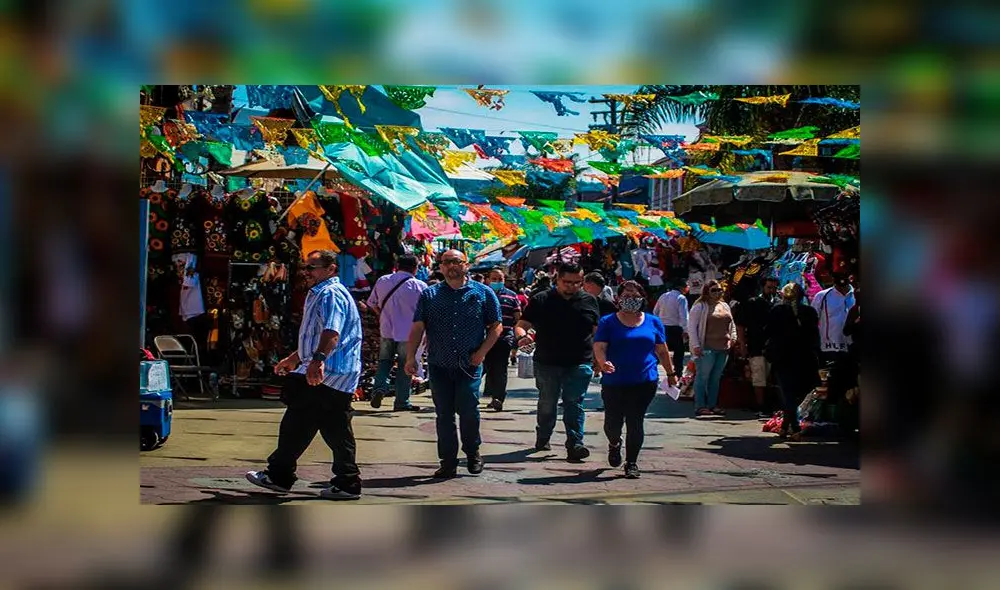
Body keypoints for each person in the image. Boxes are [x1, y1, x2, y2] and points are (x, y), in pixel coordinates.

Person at [246, 250, 363, 500]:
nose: (306, 272)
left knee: (302, 423)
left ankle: (282, 475)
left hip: (329, 372)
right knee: (328, 428)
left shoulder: (331, 294)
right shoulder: (320, 293)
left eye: (312, 268)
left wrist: (317, 361)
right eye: (305, 267)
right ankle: (344, 481)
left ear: (331, 269)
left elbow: (332, 332)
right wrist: (295, 358)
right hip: (330, 372)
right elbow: (314, 334)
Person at [405, 250, 502, 478]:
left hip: (469, 365)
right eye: (446, 262)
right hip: (439, 364)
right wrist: (411, 357)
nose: (451, 266)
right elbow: (418, 327)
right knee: (444, 414)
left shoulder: (483, 293)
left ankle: (472, 452)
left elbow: (496, 326)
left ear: (466, 265)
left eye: (456, 261)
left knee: (468, 411)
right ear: (440, 267)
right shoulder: (430, 295)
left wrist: (482, 353)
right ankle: (447, 461)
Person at [514, 262, 600, 462]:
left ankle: (575, 443)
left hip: (580, 362)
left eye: (577, 283)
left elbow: (597, 333)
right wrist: (522, 337)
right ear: (557, 280)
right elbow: (521, 325)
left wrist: (599, 359)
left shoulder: (590, 301)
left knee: (574, 403)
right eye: (567, 282)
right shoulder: (541, 299)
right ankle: (543, 435)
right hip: (547, 363)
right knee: (547, 404)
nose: (571, 286)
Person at [593, 281, 678, 479]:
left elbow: (662, 351)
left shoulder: (653, 322)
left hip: (644, 380)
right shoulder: (608, 322)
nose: (630, 299)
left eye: (634, 295)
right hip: (614, 381)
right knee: (612, 423)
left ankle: (631, 463)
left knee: (635, 421)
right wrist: (603, 363)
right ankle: (614, 443)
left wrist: (671, 374)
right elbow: (599, 346)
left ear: (642, 298)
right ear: (618, 299)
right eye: (626, 296)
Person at [366, 254, 427, 411]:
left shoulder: (383, 280)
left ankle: (379, 388)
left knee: (384, 361)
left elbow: (371, 303)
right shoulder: (420, 286)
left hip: (386, 330)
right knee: (405, 367)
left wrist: (382, 314)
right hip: (409, 334)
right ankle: (401, 402)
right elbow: (426, 313)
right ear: (415, 268)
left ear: (397, 265)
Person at [765, 282, 821, 440]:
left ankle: (790, 426)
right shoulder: (809, 312)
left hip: (783, 357)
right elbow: (814, 336)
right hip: (804, 358)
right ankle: (790, 427)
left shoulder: (777, 311)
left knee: (788, 393)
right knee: (797, 393)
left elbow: (769, 331)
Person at [688, 280, 737, 417]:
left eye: (719, 290)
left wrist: (733, 337)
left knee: (715, 378)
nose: (717, 293)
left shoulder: (725, 305)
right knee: (703, 376)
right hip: (706, 347)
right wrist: (696, 345)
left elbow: (731, 323)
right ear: (706, 292)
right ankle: (700, 406)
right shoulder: (700, 307)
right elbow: (691, 327)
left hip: (723, 347)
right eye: (713, 290)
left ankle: (712, 404)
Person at [734, 276, 780, 417]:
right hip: (756, 345)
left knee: (772, 378)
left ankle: (771, 405)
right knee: (759, 377)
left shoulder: (778, 304)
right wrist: (742, 344)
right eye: (769, 287)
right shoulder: (752, 303)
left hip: (775, 347)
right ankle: (761, 406)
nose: (771, 290)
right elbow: (740, 325)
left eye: (774, 288)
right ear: (763, 287)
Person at [483, 267, 521, 411]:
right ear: (488, 280)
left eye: (500, 279)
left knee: (500, 369)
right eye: (494, 279)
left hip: (504, 338)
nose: (497, 282)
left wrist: (517, 339)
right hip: (483, 339)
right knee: (481, 368)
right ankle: (469, 396)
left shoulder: (512, 296)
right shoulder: (482, 294)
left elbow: (518, 318)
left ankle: (498, 398)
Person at [652, 278, 689, 379]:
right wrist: (686, 330)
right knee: (678, 354)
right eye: (687, 286)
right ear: (682, 287)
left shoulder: (663, 296)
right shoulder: (681, 298)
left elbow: (655, 312)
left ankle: (653, 372)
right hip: (675, 329)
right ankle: (678, 375)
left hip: (662, 328)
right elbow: (684, 316)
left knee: (660, 352)